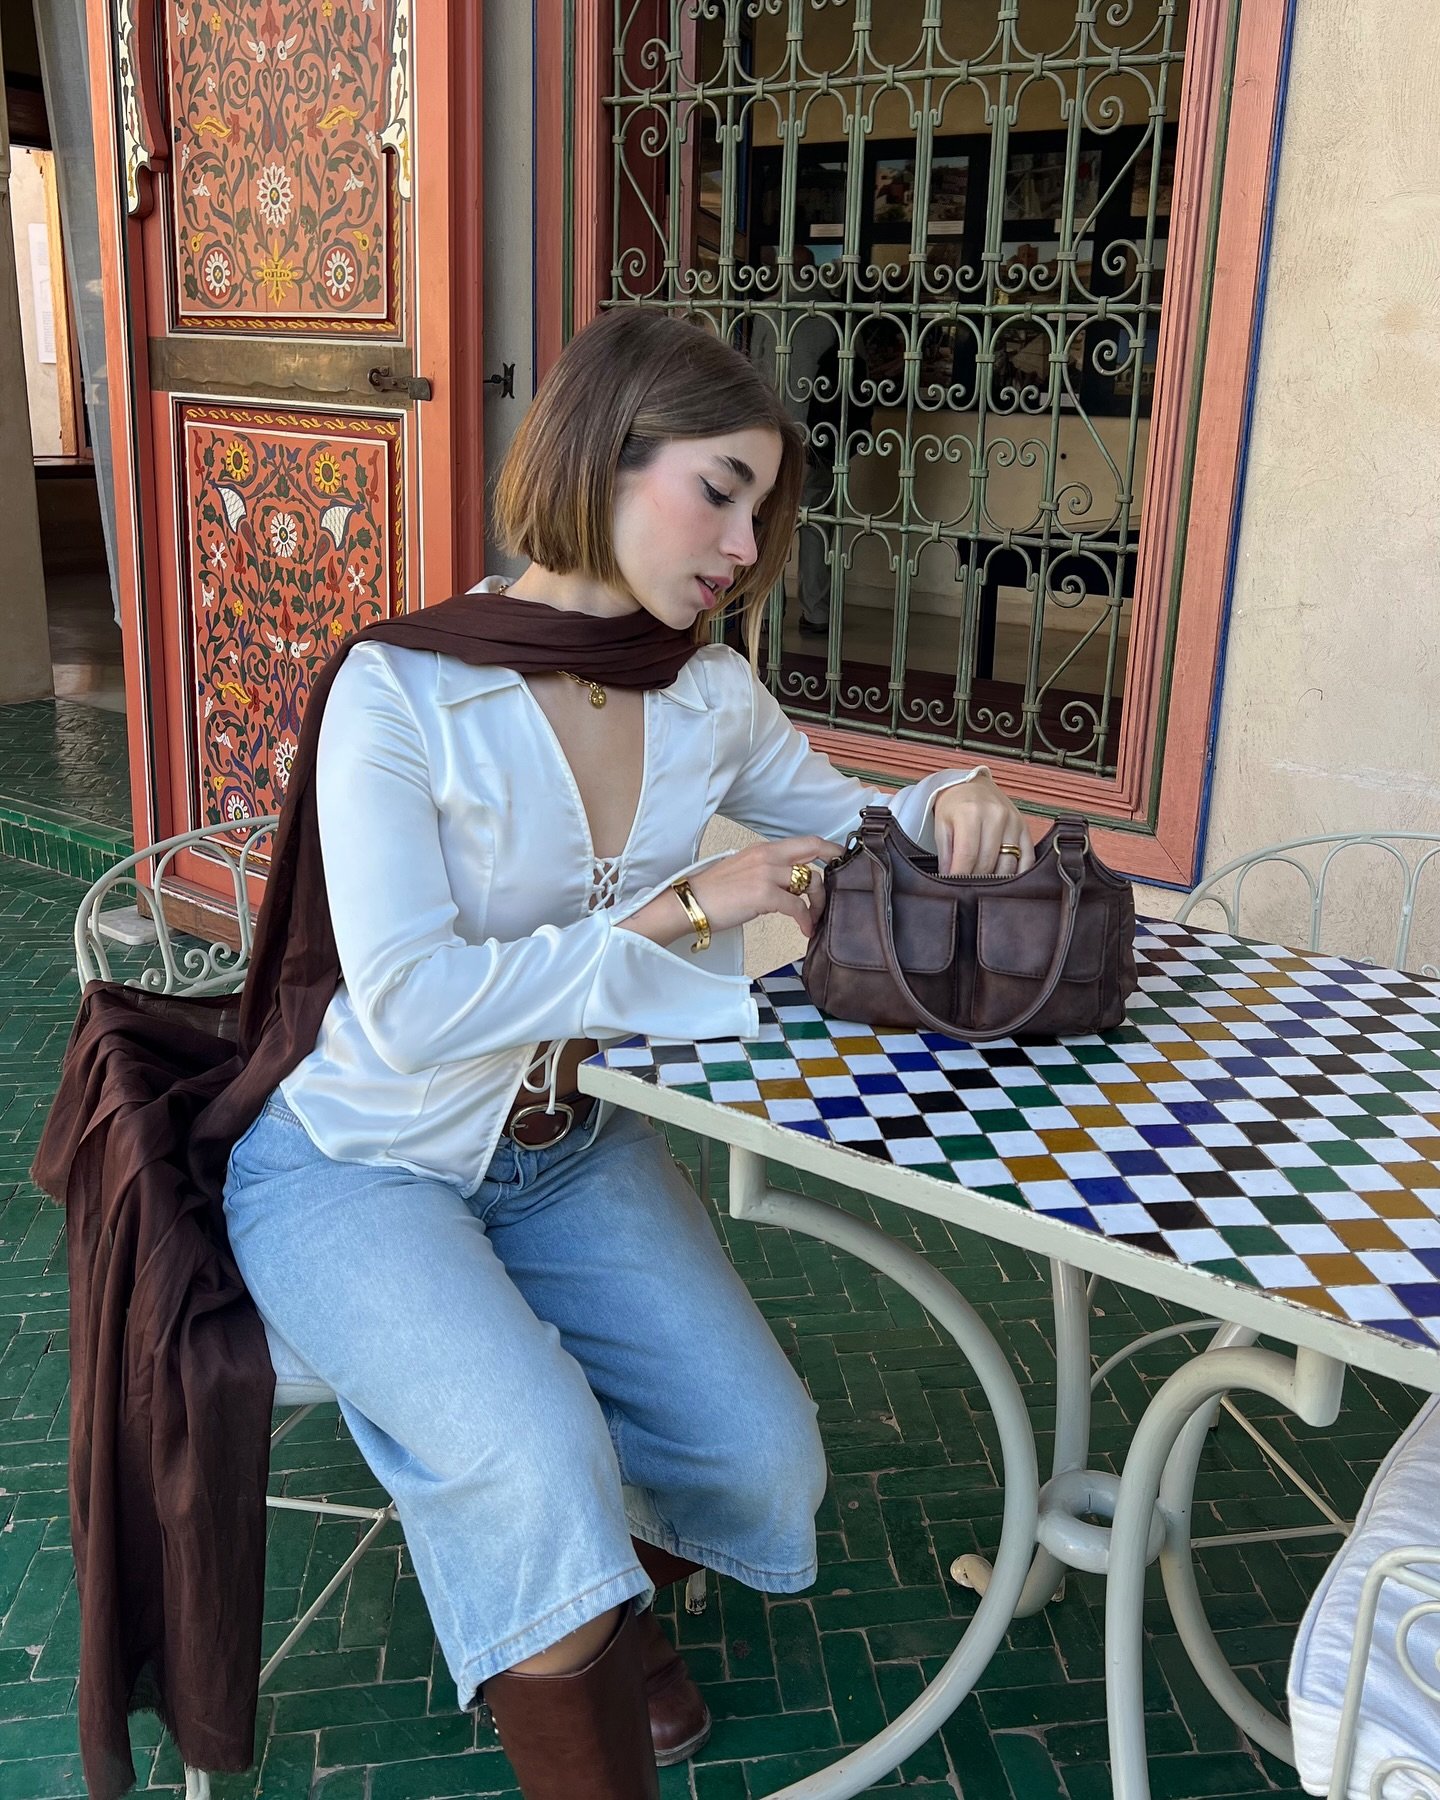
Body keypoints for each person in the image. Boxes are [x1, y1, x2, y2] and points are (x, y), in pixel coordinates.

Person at [219, 307, 1033, 1799]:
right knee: (534, 1458)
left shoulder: (706, 695)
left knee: (766, 1452)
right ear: (604, 454)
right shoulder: (405, 688)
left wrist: (960, 796)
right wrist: (682, 911)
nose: (743, 544)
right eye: (719, 490)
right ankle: (570, 1614)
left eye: (761, 509)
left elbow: (856, 819)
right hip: (360, 1161)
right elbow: (406, 1007)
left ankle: (600, 1597)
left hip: (566, 1148)